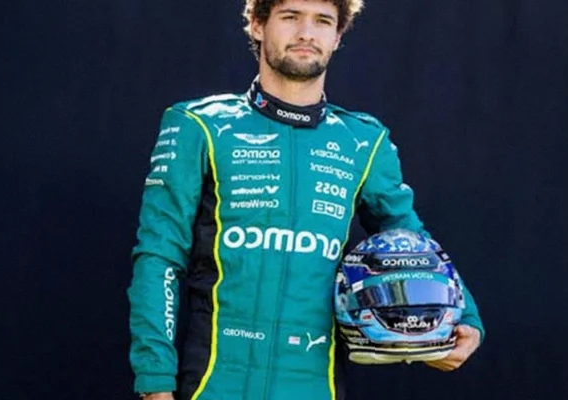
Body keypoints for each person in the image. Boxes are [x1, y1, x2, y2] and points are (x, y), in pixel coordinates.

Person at [127, 0, 485, 399]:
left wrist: (464, 318)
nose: (306, 33)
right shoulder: (198, 125)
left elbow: (412, 242)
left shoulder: (363, 141)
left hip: (315, 386)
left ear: (337, 36)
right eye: (290, 16)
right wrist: (155, 380)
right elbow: (159, 256)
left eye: (322, 21)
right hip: (211, 385)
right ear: (258, 24)